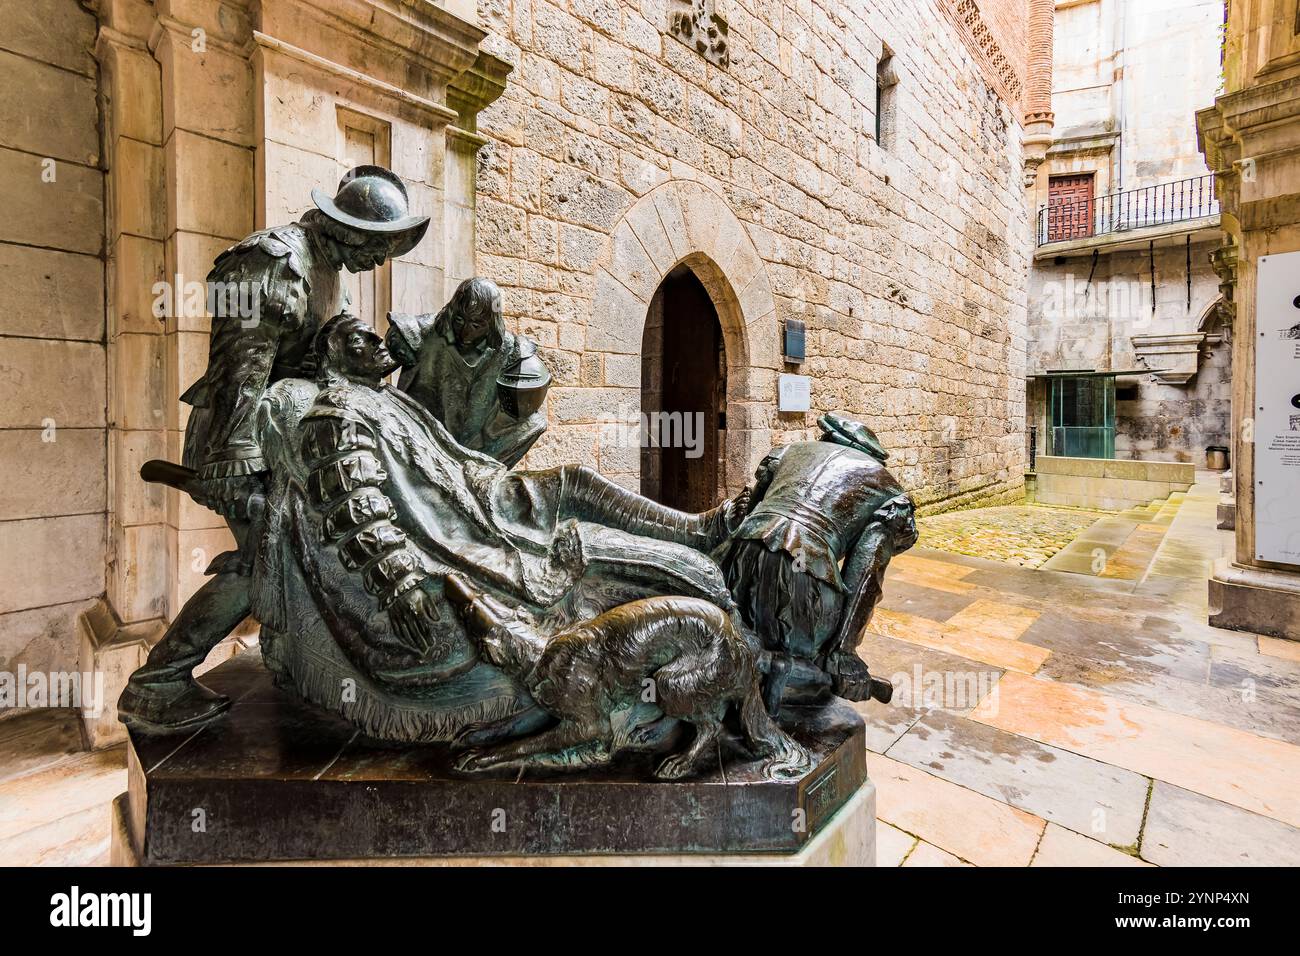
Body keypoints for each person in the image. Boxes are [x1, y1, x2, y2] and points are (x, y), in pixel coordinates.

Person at [117, 167, 430, 730]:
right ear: (351, 230)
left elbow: (321, 351)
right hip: (242, 442)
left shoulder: (330, 269)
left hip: (289, 443)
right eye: (379, 246)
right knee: (259, 562)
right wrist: (234, 465)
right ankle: (156, 684)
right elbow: (242, 366)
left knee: (294, 555)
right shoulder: (274, 260)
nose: (380, 260)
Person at [717, 413, 918, 713]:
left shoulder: (790, 450)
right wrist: (843, 651)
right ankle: (782, 671)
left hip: (740, 554)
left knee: (739, 625)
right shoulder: (888, 491)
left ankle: (751, 672)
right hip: (806, 575)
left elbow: (747, 512)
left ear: (826, 438)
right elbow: (866, 573)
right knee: (806, 637)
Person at [386, 277, 549, 467]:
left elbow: (533, 383)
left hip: (475, 448)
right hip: (423, 440)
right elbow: (371, 367)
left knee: (534, 422)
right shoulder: (420, 333)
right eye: (459, 320)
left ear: (492, 322)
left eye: (476, 325)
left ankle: (475, 472)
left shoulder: (511, 349)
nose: (465, 332)